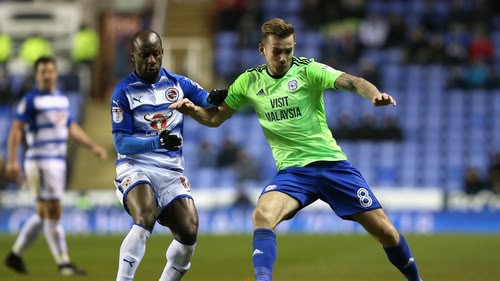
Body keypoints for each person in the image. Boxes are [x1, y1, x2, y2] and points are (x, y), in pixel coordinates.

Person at [170, 18, 424, 281]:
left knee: (386, 232)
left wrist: (374, 94)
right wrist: (192, 111)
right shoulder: (248, 81)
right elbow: (215, 118)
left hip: (331, 165)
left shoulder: (307, 70)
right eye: (277, 51)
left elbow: (352, 81)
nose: (283, 57)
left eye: (289, 50)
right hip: (293, 174)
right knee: (262, 214)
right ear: (262, 50)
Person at [110, 30, 226, 281]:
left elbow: (204, 99)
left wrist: (214, 97)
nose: (151, 60)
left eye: (155, 54)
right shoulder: (123, 92)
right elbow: (120, 142)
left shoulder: (178, 83)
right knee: (146, 215)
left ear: (162, 53)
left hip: (171, 172)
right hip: (135, 166)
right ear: (133, 56)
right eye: (144, 55)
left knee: (189, 230)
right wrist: (157, 141)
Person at [3, 56, 108, 275]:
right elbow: (16, 130)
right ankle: (64, 263)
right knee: (54, 210)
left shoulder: (62, 99)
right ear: (37, 75)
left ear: (56, 74)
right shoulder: (31, 100)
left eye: (50, 71)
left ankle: (15, 255)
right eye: (43, 71)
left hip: (57, 161)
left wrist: (93, 146)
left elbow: (71, 128)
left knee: (43, 214)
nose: (47, 75)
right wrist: (12, 160)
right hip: (40, 160)